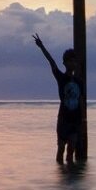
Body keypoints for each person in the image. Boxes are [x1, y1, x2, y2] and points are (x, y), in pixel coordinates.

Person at [33, 33, 85, 166]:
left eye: (74, 61)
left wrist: (83, 119)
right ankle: (61, 173)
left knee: (71, 149)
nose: (72, 63)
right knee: (61, 148)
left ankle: (71, 177)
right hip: (63, 119)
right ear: (65, 63)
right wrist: (41, 46)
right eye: (69, 61)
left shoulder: (79, 82)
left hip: (75, 119)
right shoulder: (61, 78)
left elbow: (80, 100)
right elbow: (51, 62)